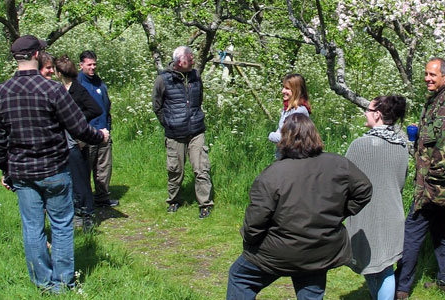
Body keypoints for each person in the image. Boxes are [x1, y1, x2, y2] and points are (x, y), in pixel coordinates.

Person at [0, 35, 108, 293]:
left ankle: (43, 283)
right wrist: (100, 136)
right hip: (54, 169)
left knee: (32, 227)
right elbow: (78, 126)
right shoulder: (52, 89)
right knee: (62, 224)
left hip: (22, 172)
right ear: (35, 56)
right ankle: (63, 283)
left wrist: (5, 170)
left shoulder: (1, 92)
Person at [227, 114, 373, 300]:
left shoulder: (272, 174)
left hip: (278, 251)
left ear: (284, 139)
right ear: (314, 135)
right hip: (319, 248)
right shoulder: (338, 164)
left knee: (240, 277)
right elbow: (365, 189)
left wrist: (251, 241)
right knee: (311, 292)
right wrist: (339, 214)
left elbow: (255, 222)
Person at [395, 58, 445, 299]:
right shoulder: (438, 101)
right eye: (426, 74)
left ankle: (402, 287)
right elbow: (437, 137)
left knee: (412, 231)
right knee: (442, 231)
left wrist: (430, 182)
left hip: (433, 186)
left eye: (432, 74)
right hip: (441, 186)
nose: (427, 78)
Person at [345, 96, 410, 300]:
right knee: (384, 266)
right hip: (393, 213)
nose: (365, 112)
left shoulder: (359, 145)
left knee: (376, 268)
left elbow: (345, 181)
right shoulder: (402, 146)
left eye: (368, 109)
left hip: (367, 217)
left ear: (378, 114)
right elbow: (400, 181)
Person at [152, 46, 213, 219]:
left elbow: (198, 99)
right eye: (190, 57)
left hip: (196, 131)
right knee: (175, 170)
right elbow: (157, 106)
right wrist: (169, 123)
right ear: (180, 61)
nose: (193, 60)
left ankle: (205, 204)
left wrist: (195, 118)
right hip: (174, 133)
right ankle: (173, 200)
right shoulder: (163, 79)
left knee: (201, 168)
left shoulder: (195, 76)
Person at [55, 54, 103, 231]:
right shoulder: (58, 89)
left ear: (59, 72)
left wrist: (76, 119)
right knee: (68, 179)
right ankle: (75, 212)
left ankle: (88, 214)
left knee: (81, 179)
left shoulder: (78, 89)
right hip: (61, 141)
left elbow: (96, 109)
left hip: (76, 141)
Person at [78, 50, 117, 207]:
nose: (92, 68)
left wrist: (107, 127)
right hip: (87, 133)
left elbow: (106, 106)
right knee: (85, 169)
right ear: (81, 65)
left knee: (103, 168)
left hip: (104, 132)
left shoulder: (99, 82)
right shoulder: (78, 84)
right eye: (89, 65)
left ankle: (102, 198)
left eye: (94, 64)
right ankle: (84, 202)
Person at [268, 73, 311, 159]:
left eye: (287, 88)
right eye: (283, 87)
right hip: (284, 156)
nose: (283, 91)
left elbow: (288, 139)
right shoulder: (288, 108)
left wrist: (271, 135)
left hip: (293, 159)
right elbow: (280, 129)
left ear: (297, 90)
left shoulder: (298, 112)